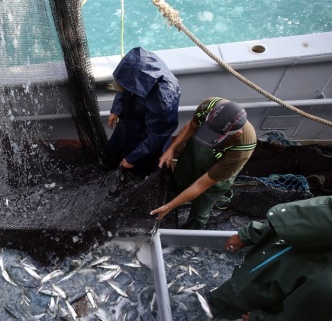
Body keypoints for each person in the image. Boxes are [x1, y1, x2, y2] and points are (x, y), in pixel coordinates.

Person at [208, 196, 332, 321]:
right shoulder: (324, 221)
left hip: (260, 296)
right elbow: (286, 224)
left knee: (221, 306)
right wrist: (248, 235)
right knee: (230, 290)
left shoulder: (329, 284)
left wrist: (260, 320)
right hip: (256, 268)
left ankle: (217, 309)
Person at [150, 97, 257, 229]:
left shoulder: (242, 147)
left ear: (236, 134)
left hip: (217, 168)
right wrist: (171, 149)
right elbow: (191, 126)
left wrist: (168, 207)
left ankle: (190, 236)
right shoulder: (210, 105)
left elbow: (201, 185)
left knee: (201, 209)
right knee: (179, 178)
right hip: (194, 151)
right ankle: (174, 197)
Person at [106, 47, 180, 176]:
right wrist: (116, 109)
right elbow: (123, 84)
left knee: (142, 167)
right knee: (115, 149)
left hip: (151, 134)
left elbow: (157, 135)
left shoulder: (164, 100)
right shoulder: (136, 63)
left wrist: (133, 158)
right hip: (130, 115)